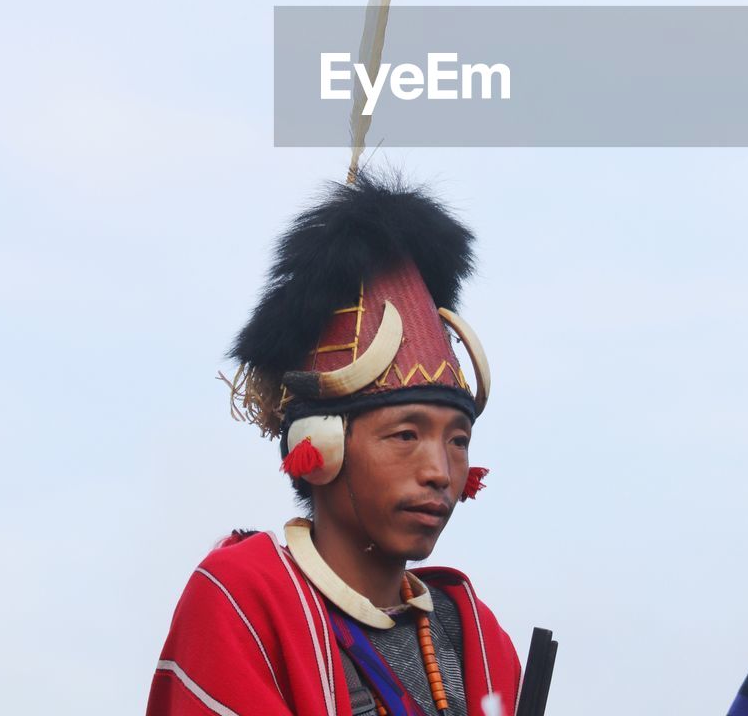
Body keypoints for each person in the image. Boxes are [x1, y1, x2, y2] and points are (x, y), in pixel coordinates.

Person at [146, 173, 520, 716]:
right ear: (318, 447)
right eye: (406, 435)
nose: (439, 470)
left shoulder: (477, 637)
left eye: (458, 441)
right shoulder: (244, 601)